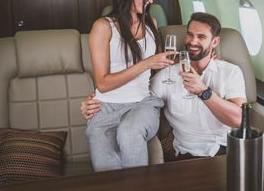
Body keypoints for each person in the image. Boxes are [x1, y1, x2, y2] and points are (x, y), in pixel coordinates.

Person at [82, 13, 246, 160]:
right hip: (188, 155)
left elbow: (238, 119)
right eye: (190, 35)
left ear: (215, 42)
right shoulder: (166, 77)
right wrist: (95, 102)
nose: (193, 42)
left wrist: (204, 92)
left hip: (231, 150)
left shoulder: (230, 72)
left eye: (201, 37)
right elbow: (134, 98)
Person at [85, 0, 176, 172]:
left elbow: (159, 65)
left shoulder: (151, 23)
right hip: (105, 108)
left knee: (129, 131)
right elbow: (103, 83)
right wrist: (145, 63)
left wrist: (198, 62)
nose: (151, 1)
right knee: (107, 169)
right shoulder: (103, 27)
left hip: (142, 104)